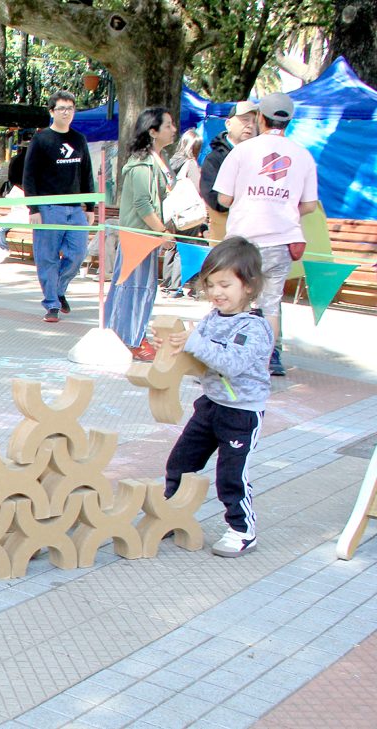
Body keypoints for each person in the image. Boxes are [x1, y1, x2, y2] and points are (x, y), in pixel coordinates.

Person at [157, 237, 273, 557]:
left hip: (241, 413)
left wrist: (194, 342)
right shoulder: (212, 318)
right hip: (210, 405)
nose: (216, 292)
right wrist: (174, 348)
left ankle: (242, 530)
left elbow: (230, 363)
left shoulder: (254, 327)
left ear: (248, 285)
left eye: (225, 284)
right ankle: (172, 514)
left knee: (231, 475)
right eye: (210, 285)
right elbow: (199, 358)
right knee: (181, 462)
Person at [214, 92, 318, 376]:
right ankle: (264, 364)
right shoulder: (303, 156)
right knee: (271, 305)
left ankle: (228, 363)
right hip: (282, 241)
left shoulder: (242, 151)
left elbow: (223, 198)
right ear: (289, 121)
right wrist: (284, 208)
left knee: (234, 300)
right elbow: (310, 204)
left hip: (243, 241)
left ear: (261, 117)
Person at [104, 107, 176, 360]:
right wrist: (163, 232)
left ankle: (126, 336)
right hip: (138, 238)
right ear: (152, 132)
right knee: (136, 288)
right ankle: (131, 339)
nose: (174, 129)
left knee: (138, 288)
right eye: (168, 125)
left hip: (146, 238)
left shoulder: (157, 160)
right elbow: (143, 205)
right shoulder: (142, 164)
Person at [23, 90, 95, 323]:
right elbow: (29, 176)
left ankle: (58, 289)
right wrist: (33, 209)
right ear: (52, 111)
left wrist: (90, 206)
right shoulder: (41, 139)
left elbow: (86, 173)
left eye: (70, 108)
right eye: (61, 108)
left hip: (74, 208)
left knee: (78, 254)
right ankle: (52, 303)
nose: (66, 113)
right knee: (48, 258)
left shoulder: (79, 139)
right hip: (48, 207)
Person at [200, 101, 258, 243]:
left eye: (255, 121)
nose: (250, 125)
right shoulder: (215, 159)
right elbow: (213, 198)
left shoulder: (262, 158)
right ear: (228, 124)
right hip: (225, 239)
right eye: (245, 120)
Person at [162, 129, 204, 298]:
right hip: (187, 213)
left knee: (172, 246)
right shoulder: (190, 164)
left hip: (172, 212)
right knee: (185, 247)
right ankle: (176, 286)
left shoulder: (172, 161)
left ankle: (166, 283)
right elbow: (198, 188)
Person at [0, 143, 29, 263]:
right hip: (16, 214)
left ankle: (3, 250)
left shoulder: (27, 186)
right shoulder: (17, 187)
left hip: (24, 215)